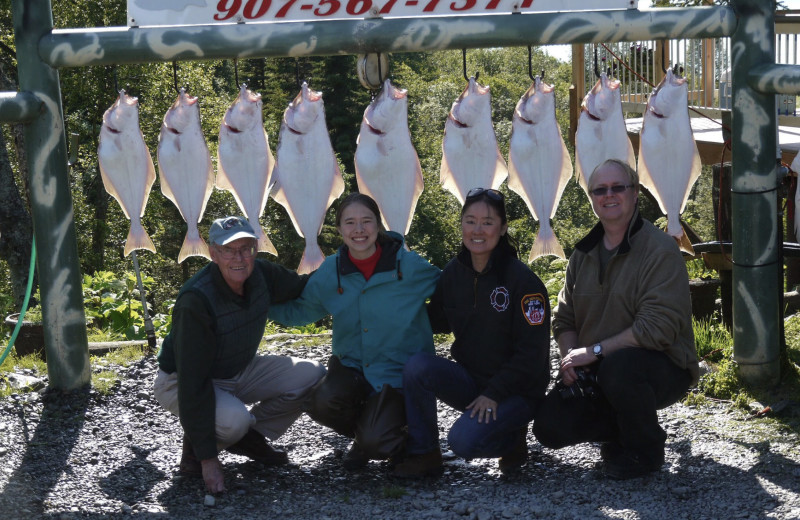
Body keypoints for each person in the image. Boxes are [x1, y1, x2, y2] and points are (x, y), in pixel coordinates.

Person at [532, 159, 699, 480]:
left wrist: (592, 353)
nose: (609, 195)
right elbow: (564, 320)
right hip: (601, 367)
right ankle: (621, 432)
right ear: (592, 197)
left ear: (635, 193)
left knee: (619, 369)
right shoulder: (583, 254)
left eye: (618, 188)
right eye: (600, 190)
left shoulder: (660, 249)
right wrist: (571, 360)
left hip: (661, 366)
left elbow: (657, 330)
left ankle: (646, 451)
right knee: (550, 426)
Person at [153, 216, 325, 493]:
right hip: (181, 381)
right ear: (213, 253)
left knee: (313, 374)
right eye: (229, 250)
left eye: (246, 248)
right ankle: (196, 452)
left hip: (237, 369)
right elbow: (192, 380)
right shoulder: (195, 301)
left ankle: (249, 439)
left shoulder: (262, 274)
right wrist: (208, 460)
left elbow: (304, 285)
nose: (239, 257)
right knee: (234, 422)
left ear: (256, 249)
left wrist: (348, 265)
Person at [269, 193, 440, 470]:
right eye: (349, 222)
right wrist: (254, 303)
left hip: (397, 377)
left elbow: (451, 293)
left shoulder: (409, 266)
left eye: (366, 221)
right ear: (338, 229)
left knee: (377, 442)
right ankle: (369, 432)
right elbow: (300, 311)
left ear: (378, 225)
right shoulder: (330, 272)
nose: (359, 230)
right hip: (352, 370)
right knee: (321, 403)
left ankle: (391, 434)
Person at [393, 188, 551, 477]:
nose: (477, 230)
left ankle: (511, 437)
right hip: (472, 382)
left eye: (488, 222)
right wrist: (394, 303)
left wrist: (494, 393)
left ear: (502, 228)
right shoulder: (454, 273)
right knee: (418, 367)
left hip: (517, 392)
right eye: (470, 220)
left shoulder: (524, 283)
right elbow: (435, 321)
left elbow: (533, 355)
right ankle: (425, 454)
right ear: (462, 224)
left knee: (463, 442)